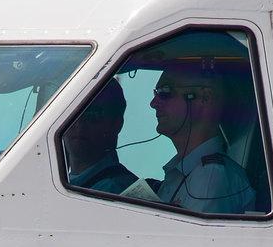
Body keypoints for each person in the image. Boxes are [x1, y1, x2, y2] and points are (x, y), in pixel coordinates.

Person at [148, 63, 256, 215]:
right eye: (155, 93)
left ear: (205, 97)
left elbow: (190, 238)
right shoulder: (186, 172)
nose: (153, 103)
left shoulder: (211, 175)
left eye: (165, 92)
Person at [63, 78, 137, 194]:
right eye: (71, 114)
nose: (78, 123)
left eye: (92, 114)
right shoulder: (61, 182)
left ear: (116, 123)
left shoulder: (116, 189)